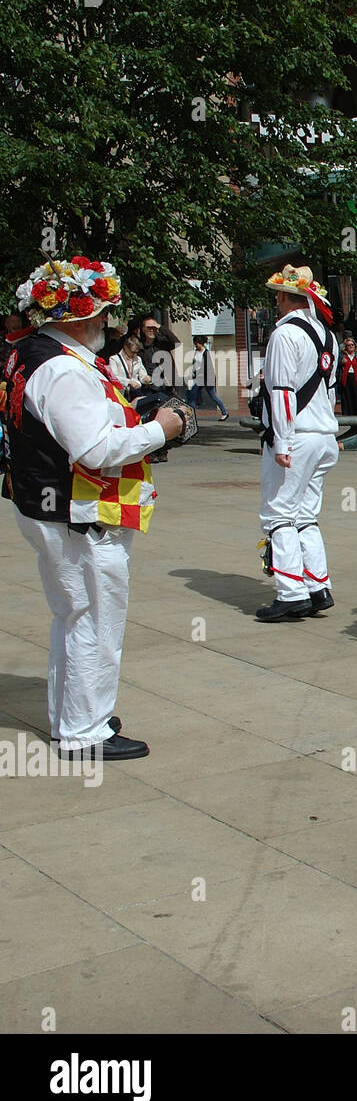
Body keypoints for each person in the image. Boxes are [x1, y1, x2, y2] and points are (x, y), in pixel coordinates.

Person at [2, 256, 184, 760]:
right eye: (102, 312)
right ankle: (86, 730)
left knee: (73, 615)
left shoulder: (34, 353)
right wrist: (161, 429)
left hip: (50, 506)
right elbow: (96, 450)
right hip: (77, 514)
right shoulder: (62, 368)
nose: (108, 321)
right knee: (94, 621)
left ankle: (76, 717)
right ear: (77, 316)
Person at [255, 265, 341, 622]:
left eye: (279, 294)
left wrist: (282, 443)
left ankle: (291, 593)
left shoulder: (285, 335)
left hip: (298, 436)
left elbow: (283, 392)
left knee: (278, 514)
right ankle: (317, 585)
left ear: (292, 298)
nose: (276, 300)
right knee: (306, 515)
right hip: (323, 436)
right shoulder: (329, 337)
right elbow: (330, 390)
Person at [186, 335, 229, 420]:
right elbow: (195, 364)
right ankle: (190, 415)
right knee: (192, 395)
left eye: (196, 343)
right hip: (199, 378)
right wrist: (192, 373)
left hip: (207, 378)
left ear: (200, 343)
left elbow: (208, 367)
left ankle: (224, 413)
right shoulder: (196, 352)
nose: (195, 345)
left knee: (213, 396)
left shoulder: (206, 353)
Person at [136, 313, 180, 395]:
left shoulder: (162, 343)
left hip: (166, 385)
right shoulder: (140, 347)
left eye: (154, 328)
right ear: (143, 329)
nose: (152, 330)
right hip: (148, 386)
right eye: (149, 328)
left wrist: (160, 327)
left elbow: (176, 342)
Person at [106, 335, 151, 401]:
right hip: (121, 395)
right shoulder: (114, 359)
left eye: (136, 352)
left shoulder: (138, 359)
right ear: (125, 348)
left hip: (135, 394)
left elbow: (142, 376)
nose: (135, 354)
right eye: (133, 352)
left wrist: (146, 379)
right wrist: (128, 382)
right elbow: (113, 378)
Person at [336, 331, 357, 415]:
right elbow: (336, 368)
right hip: (346, 379)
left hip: (356, 379)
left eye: (352, 345)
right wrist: (341, 362)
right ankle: (347, 416)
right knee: (347, 399)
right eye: (349, 345)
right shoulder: (342, 356)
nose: (351, 347)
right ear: (345, 346)